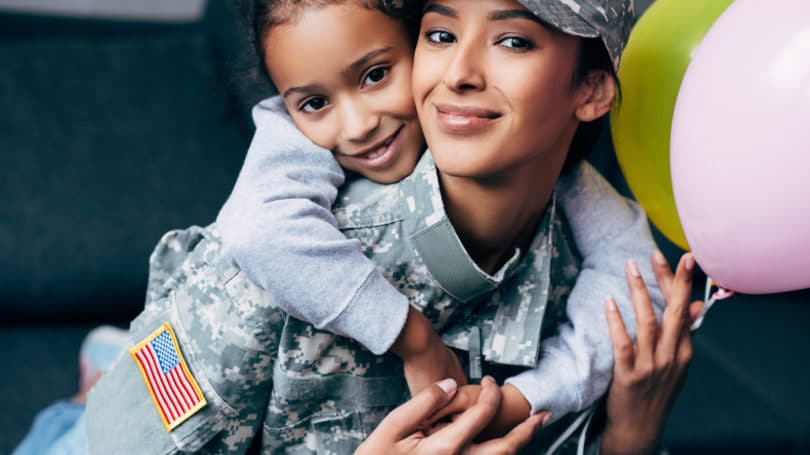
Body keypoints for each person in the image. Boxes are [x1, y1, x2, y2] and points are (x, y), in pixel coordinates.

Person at [216, 0, 661, 432]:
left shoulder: (565, 233)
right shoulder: (287, 240)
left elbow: (639, 275)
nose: (458, 73)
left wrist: (533, 399)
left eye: (513, 42)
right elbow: (257, 231)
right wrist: (412, 335)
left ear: (593, 88)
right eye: (442, 35)